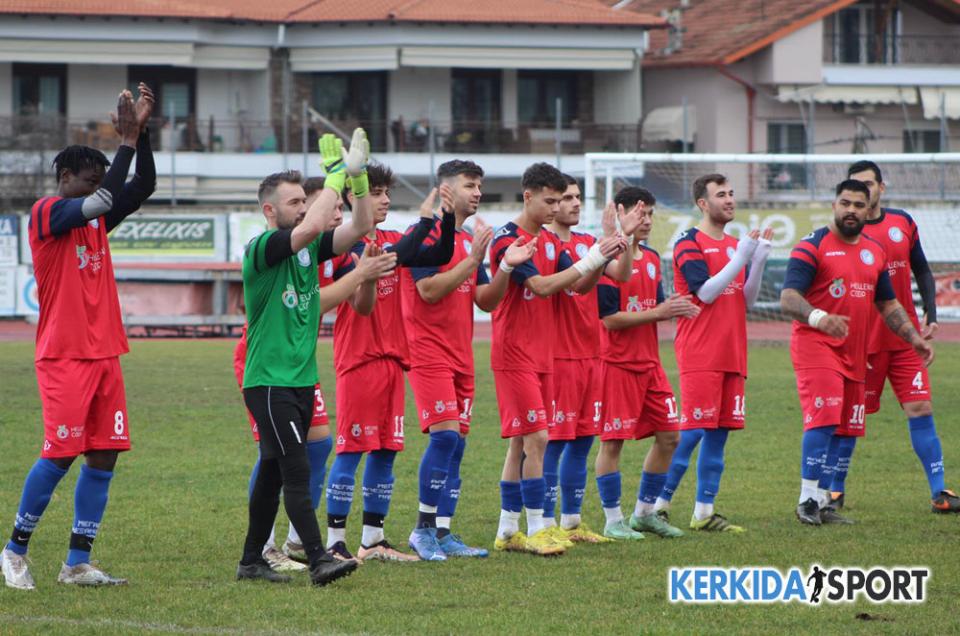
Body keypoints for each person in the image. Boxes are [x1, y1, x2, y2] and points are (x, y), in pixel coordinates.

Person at [2, 85, 156, 590]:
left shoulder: (94, 221)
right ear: (64, 178)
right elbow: (108, 195)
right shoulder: (46, 213)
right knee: (60, 453)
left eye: (95, 182)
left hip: (105, 353)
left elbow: (142, 187)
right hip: (64, 356)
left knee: (103, 455)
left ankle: (76, 562)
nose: (94, 190)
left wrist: (143, 137)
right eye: (85, 182)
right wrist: (125, 141)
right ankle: (14, 551)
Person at [232, 178, 395, 571]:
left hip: (301, 378)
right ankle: (319, 557)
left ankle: (252, 560)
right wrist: (335, 175)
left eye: (306, 200)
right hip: (269, 381)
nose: (304, 208)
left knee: (273, 471)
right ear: (270, 211)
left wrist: (355, 183)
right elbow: (308, 229)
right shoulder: (264, 248)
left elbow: (357, 226)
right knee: (296, 467)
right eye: (294, 202)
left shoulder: (307, 255)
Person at [402, 159, 537, 560]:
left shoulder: (466, 241)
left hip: (461, 356)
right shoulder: (424, 234)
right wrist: (472, 261)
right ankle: (422, 530)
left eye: (480, 186)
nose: (478, 193)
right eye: (469, 185)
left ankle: (443, 532)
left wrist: (506, 269)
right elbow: (428, 290)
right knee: (443, 436)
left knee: (457, 445)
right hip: (428, 352)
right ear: (447, 191)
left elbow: (485, 301)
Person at [780, 179, 933, 525]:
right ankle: (806, 499)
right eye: (844, 203)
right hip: (816, 348)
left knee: (847, 428)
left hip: (855, 353)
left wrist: (914, 337)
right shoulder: (813, 245)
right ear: (834, 205)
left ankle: (822, 503)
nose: (851, 210)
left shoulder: (874, 251)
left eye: (858, 205)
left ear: (869, 209)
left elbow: (888, 303)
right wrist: (820, 318)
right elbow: (789, 298)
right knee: (825, 419)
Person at [324, 163, 455, 563]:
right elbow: (361, 308)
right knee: (350, 450)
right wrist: (424, 219)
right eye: (375, 192)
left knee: (385, 450)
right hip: (360, 359)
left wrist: (445, 221)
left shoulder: (392, 239)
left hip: (393, 360)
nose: (383, 200)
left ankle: (374, 540)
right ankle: (334, 542)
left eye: (386, 193)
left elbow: (437, 251)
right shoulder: (341, 245)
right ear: (353, 197)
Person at [490, 162, 623, 556]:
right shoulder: (509, 239)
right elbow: (541, 286)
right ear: (528, 196)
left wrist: (600, 256)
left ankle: (507, 529)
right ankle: (539, 527)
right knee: (539, 439)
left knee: (520, 444)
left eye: (560, 200)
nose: (555, 208)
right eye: (550, 200)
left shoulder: (550, 242)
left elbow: (578, 286)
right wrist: (591, 258)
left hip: (541, 354)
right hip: (515, 353)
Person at [820, 161, 958, 514]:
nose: (864, 194)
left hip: (904, 338)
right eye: (857, 189)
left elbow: (922, 269)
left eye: (870, 186)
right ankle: (834, 491)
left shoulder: (903, 223)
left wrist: (931, 312)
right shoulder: (845, 236)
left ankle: (939, 492)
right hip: (863, 343)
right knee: (851, 418)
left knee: (921, 407)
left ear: (881, 188)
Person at [655, 173, 772, 533]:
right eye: (721, 195)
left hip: (732, 352)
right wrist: (741, 257)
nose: (730, 200)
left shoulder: (737, 245)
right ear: (703, 204)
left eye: (732, 193)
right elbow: (704, 293)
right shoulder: (689, 242)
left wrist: (759, 260)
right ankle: (657, 505)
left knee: (719, 434)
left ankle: (704, 511)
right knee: (691, 432)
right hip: (701, 352)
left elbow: (745, 299)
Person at [539, 175, 640, 545]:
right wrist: (606, 248)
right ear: (550, 204)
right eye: (566, 198)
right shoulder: (545, 243)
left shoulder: (586, 242)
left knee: (582, 442)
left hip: (590, 353)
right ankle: (543, 522)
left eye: (578, 197)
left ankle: (571, 520)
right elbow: (577, 285)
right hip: (558, 355)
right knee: (554, 442)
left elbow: (623, 274)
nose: (574, 204)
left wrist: (623, 240)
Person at [594, 187, 699, 540]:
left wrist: (671, 307)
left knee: (670, 436)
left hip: (650, 364)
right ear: (621, 212)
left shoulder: (653, 258)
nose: (647, 221)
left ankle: (644, 513)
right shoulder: (605, 257)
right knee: (613, 442)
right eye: (641, 214)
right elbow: (609, 319)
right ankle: (612, 520)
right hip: (616, 365)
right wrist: (659, 311)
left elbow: (649, 308)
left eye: (651, 215)